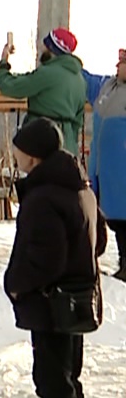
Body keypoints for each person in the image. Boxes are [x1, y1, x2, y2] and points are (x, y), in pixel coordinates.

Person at [4, 118, 102, 398]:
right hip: (76, 299)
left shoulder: (44, 196)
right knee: (67, 380)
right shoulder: (79, 188)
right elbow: (99, 242)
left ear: (33, 154)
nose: (14, 154)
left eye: (18, 149)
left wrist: (15, 285)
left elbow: (44, 259)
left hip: (52, 303)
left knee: (52, 381)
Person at [0, 28, 88, 155]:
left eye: (46, 44)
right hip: (67, 146)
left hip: (41, 141)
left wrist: (4, 62)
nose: (42, 47)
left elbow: (9, 87)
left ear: (52, 48)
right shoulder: (80, 80)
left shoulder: (48, 73)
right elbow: (78, 121)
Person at [83, 49, 126, 275]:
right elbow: (85, 80)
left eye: (123, 63)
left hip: (121, 165)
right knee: (104, 213)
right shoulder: (107, 87)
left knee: (123, 218)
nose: (118, 66)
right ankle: (94, 258)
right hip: (102, 165)